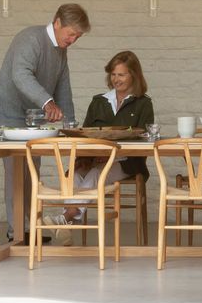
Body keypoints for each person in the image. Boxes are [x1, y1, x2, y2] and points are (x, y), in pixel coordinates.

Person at [0, 3, 89, 244]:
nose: (73, 39)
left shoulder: (60, 51)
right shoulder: (30, 39)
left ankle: (29, 225)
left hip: (33, 117)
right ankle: (17, 231)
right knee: (16, 172)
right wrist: (47, 103)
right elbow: (20, 74)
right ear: (57, 23)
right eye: (71, 33)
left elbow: (63, 86)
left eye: (78, 36)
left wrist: (70, 123)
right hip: (9, 113)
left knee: (31, 172)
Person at [63, 51, 155, 232]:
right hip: (95, 159)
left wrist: (110, 158)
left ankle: (68, 215)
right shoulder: (98, 102)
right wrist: (84, 158)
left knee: (98, 173)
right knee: (73, 174)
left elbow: (144, 140)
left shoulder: (143, 103)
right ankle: (68, 225)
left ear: (133, 76)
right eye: (113, 74)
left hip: (127, 163)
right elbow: (85, 136)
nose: (116, 79)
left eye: (121, 74)